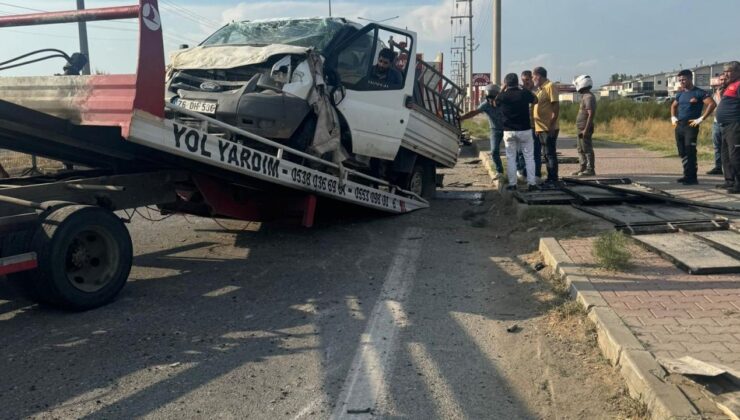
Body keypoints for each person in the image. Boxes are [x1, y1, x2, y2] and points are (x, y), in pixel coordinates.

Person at [670, 69, 716, 185]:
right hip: (679, 124)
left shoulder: (699, 92)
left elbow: (712, 104)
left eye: (684, 79)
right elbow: (673, 106)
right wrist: (673, 117)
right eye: (680, 80)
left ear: (690, 78)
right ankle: (686, 175)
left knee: (690, 150)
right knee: (682, 151)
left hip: (691, 124)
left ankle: (692, 177)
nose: (682, 81)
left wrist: (701, 118)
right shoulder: (680, 93)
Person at [494, 73, 538, 191]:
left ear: (506, 83)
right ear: (517, 82)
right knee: (529, 157)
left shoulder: (503, 96)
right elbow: (536, 100)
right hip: (524, 130)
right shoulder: (523, 93)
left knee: (511, 158)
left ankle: (513, 184)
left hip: (509, 131)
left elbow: (495, 102)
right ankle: (531, 183)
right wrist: (523, 87)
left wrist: (503, 87)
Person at [460, 84, 504, 178]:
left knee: (514, 151)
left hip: (508, 128)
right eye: (489, 99)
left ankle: (520, 170)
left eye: (493, 98)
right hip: (495, 130)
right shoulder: (486, 104)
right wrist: (462, 118)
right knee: (494, 151)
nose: (492, 101)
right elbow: (474, 112)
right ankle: (499, 171)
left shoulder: (504, 101)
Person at [532, 66, 560, 187]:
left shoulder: (550, 86)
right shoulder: (540, 89)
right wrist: (537, 127)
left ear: (538, 76)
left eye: (533, 76)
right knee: (545, 153)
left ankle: (553, 179)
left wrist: (552, 125)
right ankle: (550, 177)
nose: (533, 79)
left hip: (549, 127)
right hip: (541, 128)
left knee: (550, 153)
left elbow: (555, 106)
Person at [716, 61, 740, 193]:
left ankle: (739, 183)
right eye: (724, 72)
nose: (726, 74)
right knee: (725, 155)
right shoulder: (730, 85)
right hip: (724, 126)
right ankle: (729, 180)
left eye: (729, 71)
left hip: (735, 125)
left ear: (738, 72)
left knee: (735, 156)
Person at [516, 70, 542, 181]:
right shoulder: (521, 93)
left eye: (527, 80)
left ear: (532, 79)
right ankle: (523, 173)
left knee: (535, 151)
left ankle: (536, 174)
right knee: (521, 151)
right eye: (523, 80)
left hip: (534, 126)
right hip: (522, 126)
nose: (525, 82)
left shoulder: (537, 92)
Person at [572, 74, 597, 176]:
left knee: (587, 148)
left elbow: (591, 114)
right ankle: (582, 168)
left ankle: (590, 169)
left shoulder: (589, 97)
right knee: (580, 148)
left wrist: (586, 129)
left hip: (584, 128)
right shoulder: (585, 96)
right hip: (580, 127)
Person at [708, 73, 727, 176]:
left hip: (727, 124)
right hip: (716, 122)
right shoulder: (717, 92)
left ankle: (728, 169)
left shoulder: (730, 91)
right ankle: (718, 167)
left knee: (727, 147)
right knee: (717, 146)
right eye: (721, 80)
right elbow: (714, 105)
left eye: (724, 79)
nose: (722, 81)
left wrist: (719, 95)